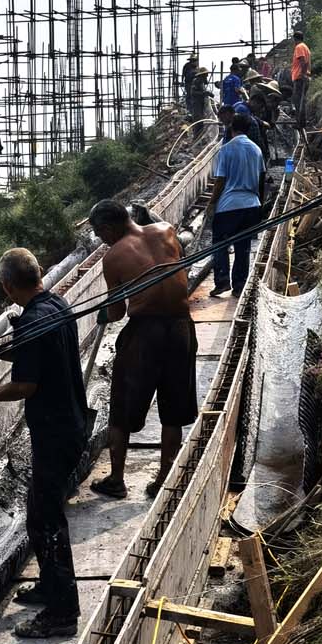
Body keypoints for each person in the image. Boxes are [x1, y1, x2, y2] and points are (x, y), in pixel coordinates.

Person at [0, 248, 88, 640]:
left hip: (55, 432)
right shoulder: (56, 305)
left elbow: (25, 385)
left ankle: (62, 613)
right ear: (39, 273)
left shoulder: (33, 322)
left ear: (6, 286)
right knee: (38, 510)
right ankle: (50, 587)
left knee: (47, 519)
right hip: (70, 423)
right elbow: (37, 354)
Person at [87, 199, 197, 501]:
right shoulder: (167, 230)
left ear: (109, 227)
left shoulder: (113, 257)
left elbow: (116, 312)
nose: (101, 239)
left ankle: (116, 480)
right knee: (173, 410)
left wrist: (103, 312)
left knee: (121, 409)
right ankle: (164, 479)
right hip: (181, 328)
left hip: (145, 334)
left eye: (99, 233)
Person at [206, 110, 266, 298]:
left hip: (229, 205)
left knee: (219, 243)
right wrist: (260, 205)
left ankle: (222, 281)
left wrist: (211, 203)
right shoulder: (257, 150)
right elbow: (262, 180)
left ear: (232, 127)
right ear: (248, 129)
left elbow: (220, 180)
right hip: (252, 205)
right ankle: (239, 286)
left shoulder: (226, 149)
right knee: (243, 247)